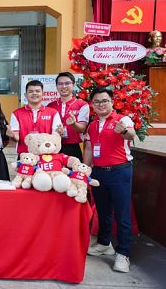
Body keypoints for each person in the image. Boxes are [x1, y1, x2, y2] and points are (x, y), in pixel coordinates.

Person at [84, 87, 136, 273]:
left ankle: (123, 253)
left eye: (104, 101)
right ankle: (105, 243)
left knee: (122, 214)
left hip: (120, 171)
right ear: (92, 105)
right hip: (98, 173)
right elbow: (89, 149)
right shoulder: (92, 124)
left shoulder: (122, 119)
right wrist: (85, 169)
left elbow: (131, 134)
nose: (100, 104)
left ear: (112, 102)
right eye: (96, 102)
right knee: (104, 210)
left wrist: (124, 132)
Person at [10, 80, 63, 156]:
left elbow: (55, 136)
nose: (34, 93)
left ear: (43, 94)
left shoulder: (53, 113)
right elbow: (16, 137)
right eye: (31, 91)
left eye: (37, 91)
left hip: (47, 156)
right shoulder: (16, 113)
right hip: (25, 157)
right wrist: (10, 134)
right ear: (25, 95)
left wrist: (59, 132)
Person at [47, 72, 89, 161]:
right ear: (56, 86)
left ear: (73, 85)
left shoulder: (82, 105)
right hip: (53, 147)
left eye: (67, 83)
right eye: (60, 84)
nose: (64, 86)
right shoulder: (50, 106)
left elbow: (82, 128)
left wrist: (74, 124)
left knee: (73, 174)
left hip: (73, 148)